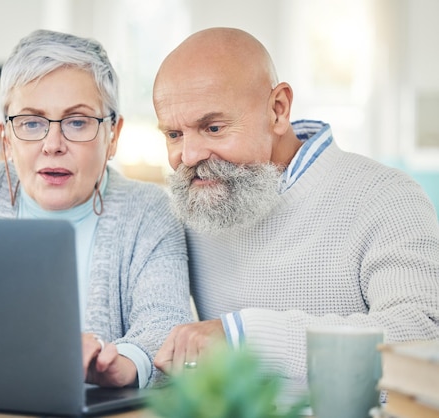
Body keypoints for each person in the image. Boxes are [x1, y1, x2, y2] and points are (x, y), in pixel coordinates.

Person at [152, 27, 439, 388]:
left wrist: (249, 338)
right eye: (174, 135)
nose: (189, 156)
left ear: (278, 110)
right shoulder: (195, 205)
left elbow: (423, 337)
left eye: (212, 127)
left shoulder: (387, 197)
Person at [0, 29, 193, 388]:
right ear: (6, 138)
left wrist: (123, 362)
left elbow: (165, 322)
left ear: (113, 136)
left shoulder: (148, 211)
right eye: (31, 123)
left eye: (77, 122)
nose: (53, 144)